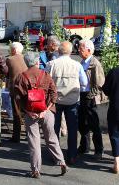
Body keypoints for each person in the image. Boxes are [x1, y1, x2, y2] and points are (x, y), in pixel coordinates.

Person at [14, 51, 68, 179]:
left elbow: (18, 98)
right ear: (37, 62)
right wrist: (46, 109)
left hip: (30, 113)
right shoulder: (46, 74)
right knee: (51, 138)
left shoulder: (21, 77)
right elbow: (54, 94)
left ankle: (36, 170)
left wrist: (26, 112)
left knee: (34, 141)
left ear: (26, 63)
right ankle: (61, 162)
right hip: (46, 111)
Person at [48, 41, 88, 164]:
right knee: (72, 129)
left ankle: (56, 156)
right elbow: (85, 83)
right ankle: (71, 155)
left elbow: (46, 82)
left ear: (58, 51)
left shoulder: (51, 64)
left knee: (54, 129)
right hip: (72, 100)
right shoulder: (77, 65)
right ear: (70, 52)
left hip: (56, 101)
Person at [78, 39, 105, 159]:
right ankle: (84, 146)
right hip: (81, 95)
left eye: (81, 48)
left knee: (94, 124)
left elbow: (99, 84)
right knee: (82, 123)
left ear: (89, 50)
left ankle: (99, 150)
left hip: (90, 96)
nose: (78, 50)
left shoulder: (95, 64)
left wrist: (90, 96)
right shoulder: (82, 62)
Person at [6, 42, 27, 143]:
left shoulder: (10, 59)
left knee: (17, 113)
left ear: (14, 50)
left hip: (16, 89)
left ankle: (16, 136)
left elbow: (6, 74)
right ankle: (29, 134)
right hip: (28, 89)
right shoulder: (26, 58)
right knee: (28, 112)